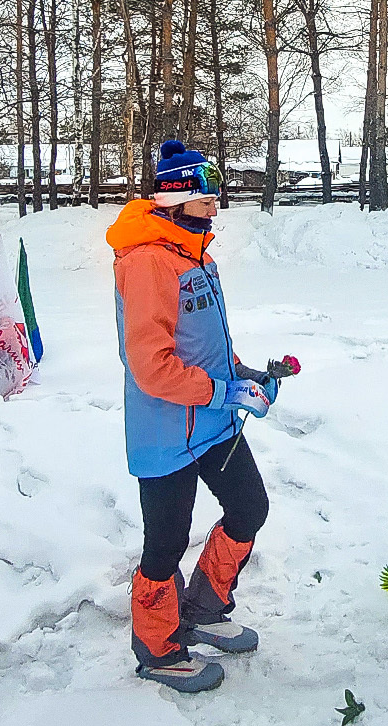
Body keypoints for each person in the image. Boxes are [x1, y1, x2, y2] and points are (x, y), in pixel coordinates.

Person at [108, 140, 297, 693]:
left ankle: (205, 606)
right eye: (206, 195)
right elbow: (151, 367)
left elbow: (205, 347)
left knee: (249, 506)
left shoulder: (196, 256)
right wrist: (223, 392)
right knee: (165, 544)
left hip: (212, 423)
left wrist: (244, 377)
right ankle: (158, 646)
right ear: (176, 197)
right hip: (166, 432)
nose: (215, 204)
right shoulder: (146, 263)